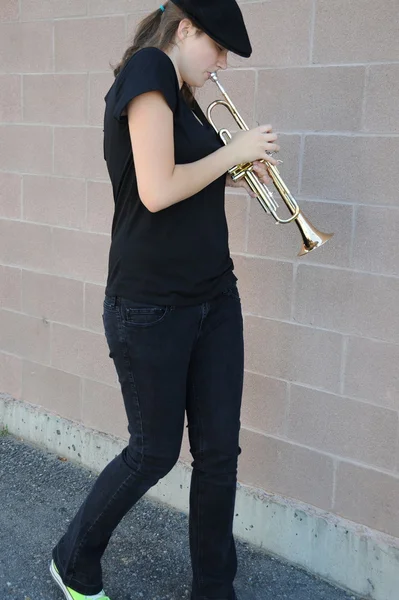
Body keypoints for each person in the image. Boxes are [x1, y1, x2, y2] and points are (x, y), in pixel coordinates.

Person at [49, 1, 279, 599]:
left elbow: (186, 175)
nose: (222, 61)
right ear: (185, 29)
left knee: (219, 453)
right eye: (218, 46)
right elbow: (155, 191)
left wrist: (235, 167)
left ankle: (213, 586)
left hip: (214, 296)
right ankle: (71, 560)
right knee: (153, 454)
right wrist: (235, 151)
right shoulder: (149, 69)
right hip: (150, 305)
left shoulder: (185, 95)